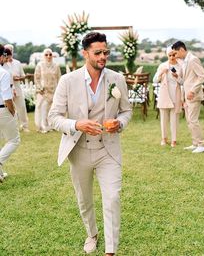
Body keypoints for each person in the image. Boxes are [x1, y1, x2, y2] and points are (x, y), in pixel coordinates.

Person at [48, 32, 132, 255]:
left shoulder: (117, 79)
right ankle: (92, 234)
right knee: (84, 199)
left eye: (106, 52)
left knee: (112, 197)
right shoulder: (68, 81)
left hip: (108, 150)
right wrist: (77, 124)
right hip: (79, 150)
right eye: (98, 53)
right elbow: (53, 117)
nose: (103, 56)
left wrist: (119, 124)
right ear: (85, 53)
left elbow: (126, 111)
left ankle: (110, 250)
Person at [172, 41, 204, 153]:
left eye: (176, 53)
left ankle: (202, 145)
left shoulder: (193, 60)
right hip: (186, 96)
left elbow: (202, 76)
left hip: (193, 95)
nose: (175, 56)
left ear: (182, 50)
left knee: (193, 120)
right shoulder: (184, 62)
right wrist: (177, 76)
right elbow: (184, 81)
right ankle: (195, 143)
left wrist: (193, 90)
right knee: (189, 120)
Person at [153, 46, 183, 147]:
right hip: (164, 95)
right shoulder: (162, 65)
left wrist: (177, 77)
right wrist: (162, 72)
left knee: (174, 119)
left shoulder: (180, 66)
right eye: (169, 55)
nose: (172, 57)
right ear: (167, 55)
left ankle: (174, 140)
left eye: (173, 55)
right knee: (163, 119)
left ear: (176, 54)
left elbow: (183, 81)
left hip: (175, 95)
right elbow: (155, 80)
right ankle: (164, 138)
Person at [0, 44, 20, 182]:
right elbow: (7, 97)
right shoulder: (4, 73)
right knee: (14, 140)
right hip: (3, 109)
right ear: (1, 56)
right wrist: (13, 111)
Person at [34, 48, 61, 133]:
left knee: (52, 109)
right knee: (43, 109)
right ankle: (43, 126)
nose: (48, 56)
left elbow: (59, 78)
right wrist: (40, 88)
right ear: (43, 56)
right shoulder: (40, 65)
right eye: (46, 54)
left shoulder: (56, 65)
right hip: (43, 92)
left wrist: (59, 90)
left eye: (50, 54)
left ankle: (52, 125)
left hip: (54, 91)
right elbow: (36, 78)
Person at [4, 44, 30, 132]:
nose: (9, 52)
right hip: (8, 90)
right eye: (8, 50)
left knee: (22, 108)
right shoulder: (3, 64)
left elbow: (23, 76)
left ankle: (25, 126)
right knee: (9, 110)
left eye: (11, 50)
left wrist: (18, 77)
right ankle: (12, 128)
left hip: (18, 89)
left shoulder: (17, 63)